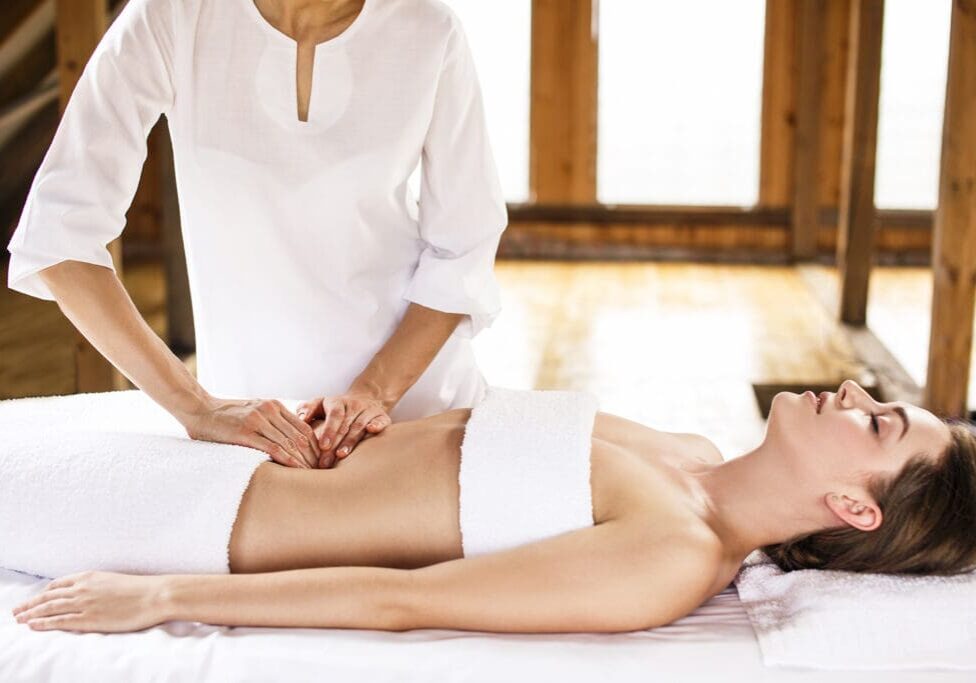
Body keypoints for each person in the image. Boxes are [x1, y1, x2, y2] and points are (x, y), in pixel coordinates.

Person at [10, 380, 976, 634]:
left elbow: (411, 600)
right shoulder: (687, 456)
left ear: (853, 505)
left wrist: (164, 597)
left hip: (200, 517)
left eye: (879, 423)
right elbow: (465, 434)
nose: (855, 393)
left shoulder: (671, 556)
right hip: (230, 444)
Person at [5, 0, 507, 470]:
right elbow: (60, 235)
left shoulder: (428, 29)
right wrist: (196, 407)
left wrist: (374, 392)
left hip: (417, 407)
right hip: (252, 439)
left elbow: (463, 243)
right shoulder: (175, 14)